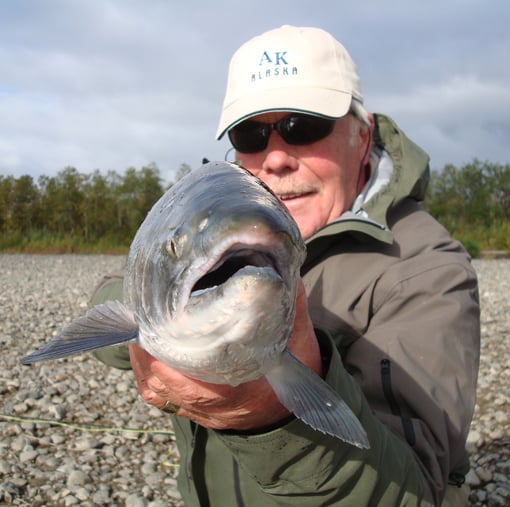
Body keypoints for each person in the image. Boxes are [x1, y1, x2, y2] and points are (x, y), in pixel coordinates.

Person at [92, 26, 480, 506]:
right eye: (251, 133)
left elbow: (414, 493)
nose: (275, 157)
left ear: (363, 135)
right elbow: (108, 310)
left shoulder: (426, 269)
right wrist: (151, 315)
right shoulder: (206, 232)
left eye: (304, 127)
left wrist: (269, 414)